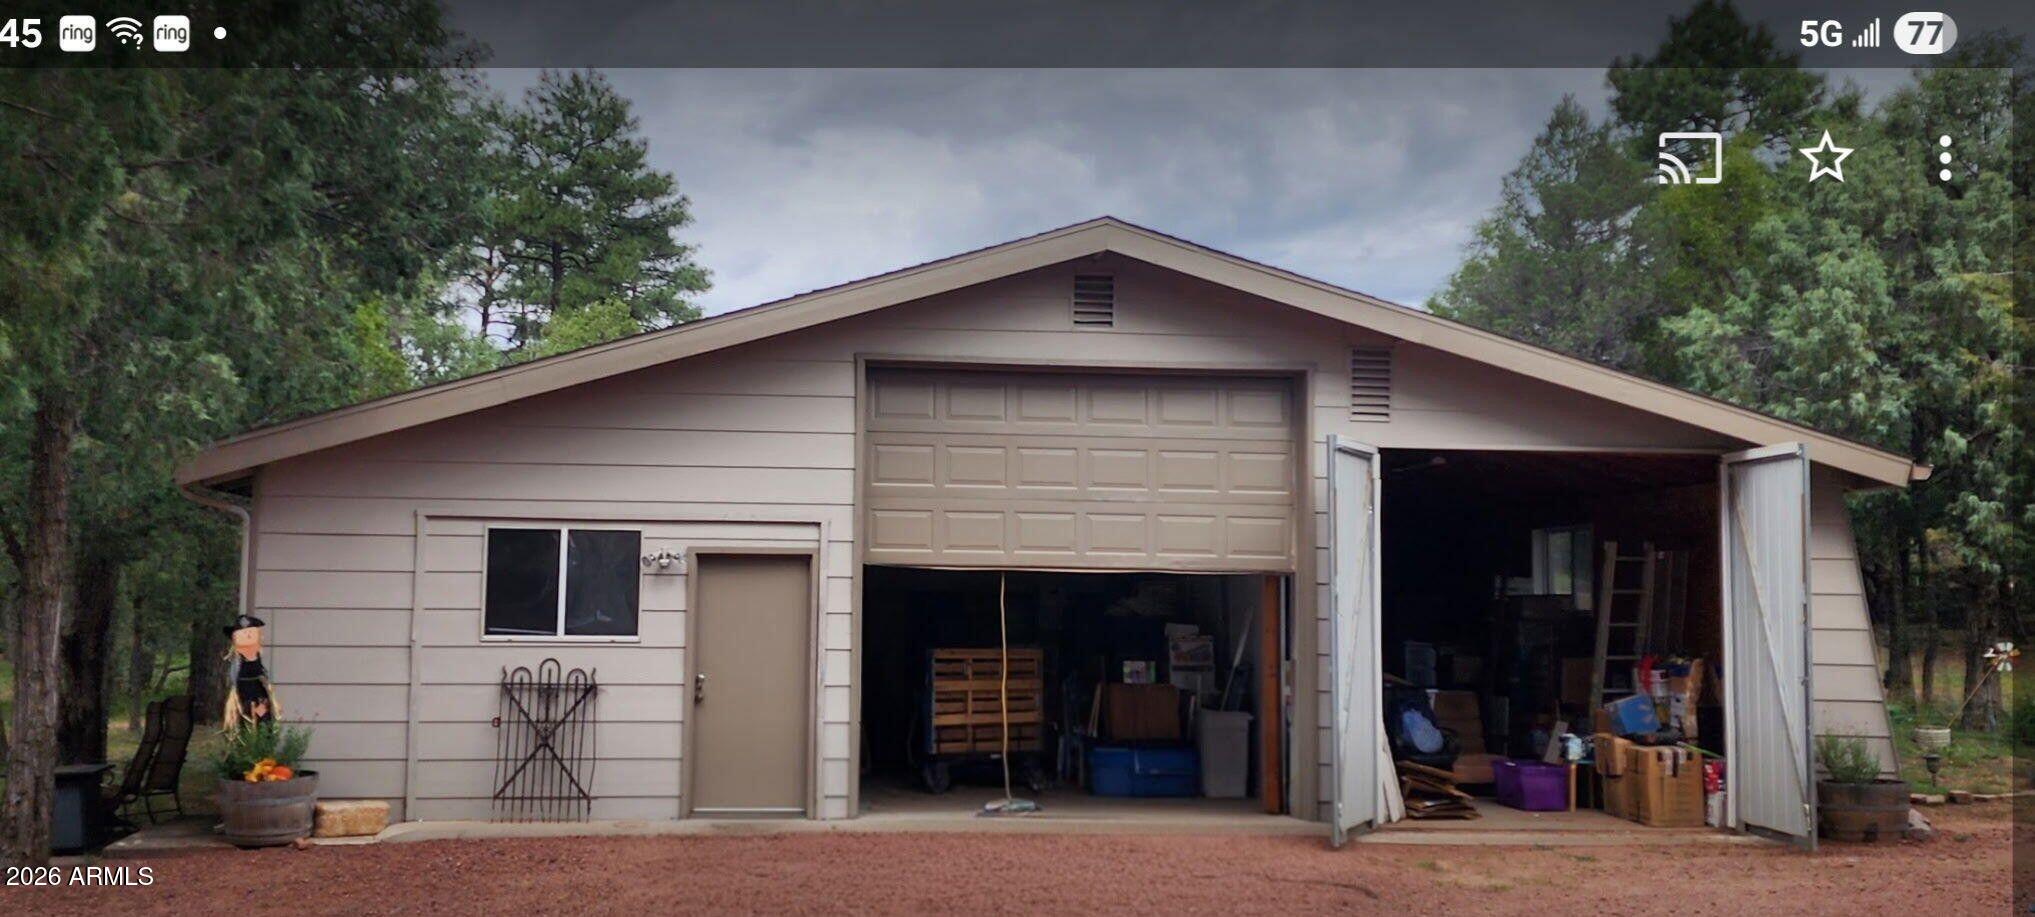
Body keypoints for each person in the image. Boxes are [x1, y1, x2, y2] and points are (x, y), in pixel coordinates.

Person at [221, 614, 279, 729]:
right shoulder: (237, 658)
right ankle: (247, 742)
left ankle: (262, 739)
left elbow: (264, 672)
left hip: (259, 694)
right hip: (244, 694)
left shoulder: (258, 654)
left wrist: (265, 680)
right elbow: (233, 678)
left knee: (263, 718)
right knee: (245, 718)